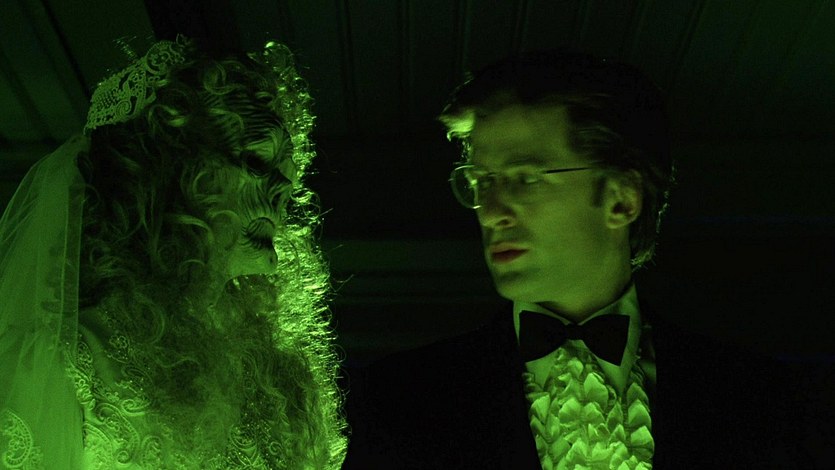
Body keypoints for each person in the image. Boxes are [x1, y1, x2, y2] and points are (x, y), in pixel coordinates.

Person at [342, 50, 813, 468]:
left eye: (526, 178)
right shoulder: (397, 399)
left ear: (622, 199)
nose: (490, 211)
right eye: (482, 182)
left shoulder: (758, 400)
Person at [0, 36, 346, 468]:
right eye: (258, 162)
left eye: (288, 175)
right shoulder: (71, 355)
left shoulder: (282, 377)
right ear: (167, 173)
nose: (283, 192)